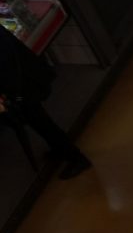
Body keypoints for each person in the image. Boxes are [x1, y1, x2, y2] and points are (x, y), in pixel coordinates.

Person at [0, 28, 90, 178]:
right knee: (38, 121)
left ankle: (76, 158)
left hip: (20, 87)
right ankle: (61, 149)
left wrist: (11, 93)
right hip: (21, 83)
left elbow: (5, 66)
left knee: (41, 121)